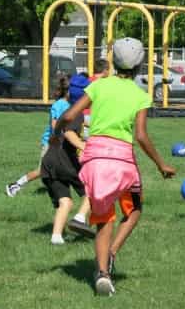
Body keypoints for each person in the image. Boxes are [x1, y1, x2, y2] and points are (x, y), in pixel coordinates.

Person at [53, 38, 176, 295]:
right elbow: (141, 136)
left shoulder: (98, 86)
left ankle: (102, 273)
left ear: (113, 61)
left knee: (103, 217)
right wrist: (161, 164)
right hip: (122, 161)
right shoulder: (140, 96)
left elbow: (68, 116)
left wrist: (56, 133)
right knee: (135, 209)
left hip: (94, 159)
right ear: (140, 64)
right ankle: (112, 252)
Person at [41, 74, 94, 245]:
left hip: (50, 162)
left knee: (65, 201)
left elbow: (59, 130)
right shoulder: (76, 113)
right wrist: (83, 146)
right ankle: (79, 218)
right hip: (66, 163)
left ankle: (56, 237)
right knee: (92, 191)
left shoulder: (66, 110)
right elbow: (69, 132)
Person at [5, 76, 70, 198]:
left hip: (60, 143)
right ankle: (15, 185)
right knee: (41, 170)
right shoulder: (59, 105)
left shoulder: (68, 104)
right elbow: (54, 124)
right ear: (68, 91)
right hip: (51, 143)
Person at [83, 59, 110, 141]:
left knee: (84, 144)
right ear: (105, 71)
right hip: (97, 118)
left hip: (84, 116)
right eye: (108, 70)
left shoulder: (86, 81)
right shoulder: (104, 84)